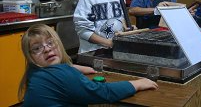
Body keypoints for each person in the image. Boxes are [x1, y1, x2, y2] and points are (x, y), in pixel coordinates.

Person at [18, 24, 158, 106]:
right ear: (31, 57)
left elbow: (60, 75)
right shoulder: (61, 75)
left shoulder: (34, 72)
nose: (47, 49)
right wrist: (137, 84)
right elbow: (102, 92)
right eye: (37, 48)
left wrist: (74, 67)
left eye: (50, 43)